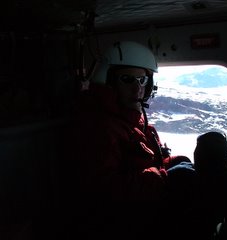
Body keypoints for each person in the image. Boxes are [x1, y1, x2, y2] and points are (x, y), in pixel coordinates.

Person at [56, 40, 190, 240]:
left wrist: (170, 165)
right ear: (108, 82)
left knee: (189, 161)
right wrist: (164, 177)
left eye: (142, 80)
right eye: (127, 79)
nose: (137, 89)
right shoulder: (98, 127)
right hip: (122, 223)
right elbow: (104, 192)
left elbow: (145, 163)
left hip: (145, 209)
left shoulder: (132, 120)